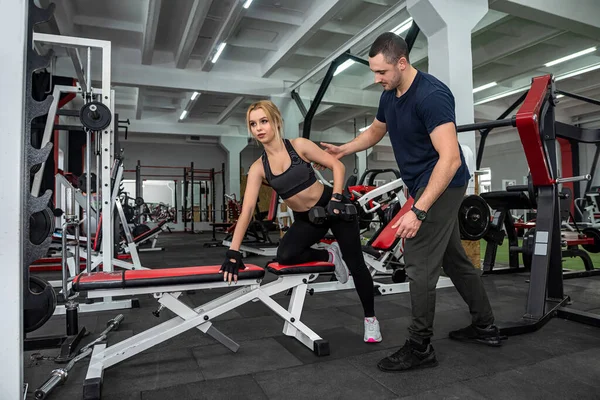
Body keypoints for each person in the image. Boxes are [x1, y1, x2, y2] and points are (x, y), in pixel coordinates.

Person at [317, 32, 501, 372]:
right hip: (423, 183)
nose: (377, 79)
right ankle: (485, 325)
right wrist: (344, 149)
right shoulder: (390, 93)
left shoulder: (431, 96)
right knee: (454, 260)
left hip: (443, 184)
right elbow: (376, 130)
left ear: (402, 62)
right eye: (374, 72)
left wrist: (418, 210)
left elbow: (450, 160)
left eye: (381, 72)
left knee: (417, 262)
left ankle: (420, 346)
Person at [219, 100, 382, 343]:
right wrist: (233, 252)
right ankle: (330, 256)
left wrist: (337, 197)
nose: (259, 128)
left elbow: (337, 165)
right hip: (308, 218)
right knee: (286, 255)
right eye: (253, 124)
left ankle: (370, 319)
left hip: (332, 205)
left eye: (263, 121)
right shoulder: (258, 168)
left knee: (356, 263)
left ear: (276, 122)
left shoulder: (298, 146)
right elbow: (248, 209)